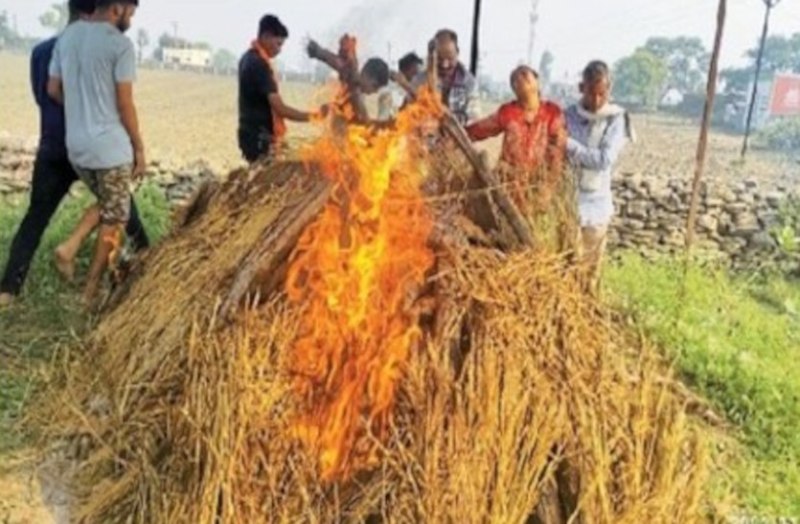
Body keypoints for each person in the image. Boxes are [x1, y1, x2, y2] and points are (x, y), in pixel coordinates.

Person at [0, 0, 149, 308]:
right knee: (121, 209)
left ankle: (8, 290)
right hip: (99, 149)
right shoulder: (111, 45)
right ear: (91, 12)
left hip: (57, 145)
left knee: (36, 218)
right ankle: (145, 261)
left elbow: (46, 94)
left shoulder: (43, 51)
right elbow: (121, 101)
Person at [47, 0, 145, 305]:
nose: (130, 20)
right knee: (114, 217)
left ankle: (70, 247)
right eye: (130, 13)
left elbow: (53, 89)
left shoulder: (68, 36)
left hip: (77, 148)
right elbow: (125, 103)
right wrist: (139, 147)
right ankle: (90, 293)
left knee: (110, 203)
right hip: (110, 150)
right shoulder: (120, 45)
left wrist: (81, 110)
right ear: (117, 8)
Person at [564, 60, 630, 290]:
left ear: (609, 89)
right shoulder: (568, 116)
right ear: (581, 88)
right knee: (567, 266)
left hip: (596, 206)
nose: (596, 100)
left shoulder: (615, 119)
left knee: (590, 272)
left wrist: (569, 145)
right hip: (568, 203)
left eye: (602, 94)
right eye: (591, 93)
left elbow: (604, 159)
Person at [466, 65, 566, 213]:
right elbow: (479, 130)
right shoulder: (507, 112)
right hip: (507, 186)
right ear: (513, 89)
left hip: (537, 188)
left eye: (525, 74)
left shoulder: (552, 112)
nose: (520, 78)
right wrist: (455, 135)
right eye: (515, 78)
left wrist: (547, 187)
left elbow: (557, 153)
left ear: (537, 81)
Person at [239, 15, 324, 163]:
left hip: (249, 135)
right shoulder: (259, 65)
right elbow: (280, 109)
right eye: (278, 44)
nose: (279, 50)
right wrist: (316, 116)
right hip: (260, 139)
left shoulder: (247, 58)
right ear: (266, 36)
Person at [307, 34, 390, 123]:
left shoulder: (356, 85)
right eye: (375, 86)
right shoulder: (353, 79)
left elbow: (339, 64)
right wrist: (319, 52)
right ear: (366, 75)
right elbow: (338, 63)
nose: (375, 92)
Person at [409, 29, 479, 125]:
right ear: (431, 57)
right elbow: (408, 113)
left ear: (457, 53)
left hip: (458, 133)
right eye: (439, 59)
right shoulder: (419, 81)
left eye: (450, 58)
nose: (444, 65)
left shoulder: (469, 82)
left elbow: (473, 118)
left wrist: (450, 121)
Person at [378, 52, 423, 120]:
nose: (417, 70)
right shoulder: (390, 90)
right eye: (414, 67)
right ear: (405, 69)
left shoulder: (408, 88)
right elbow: (383, 118)